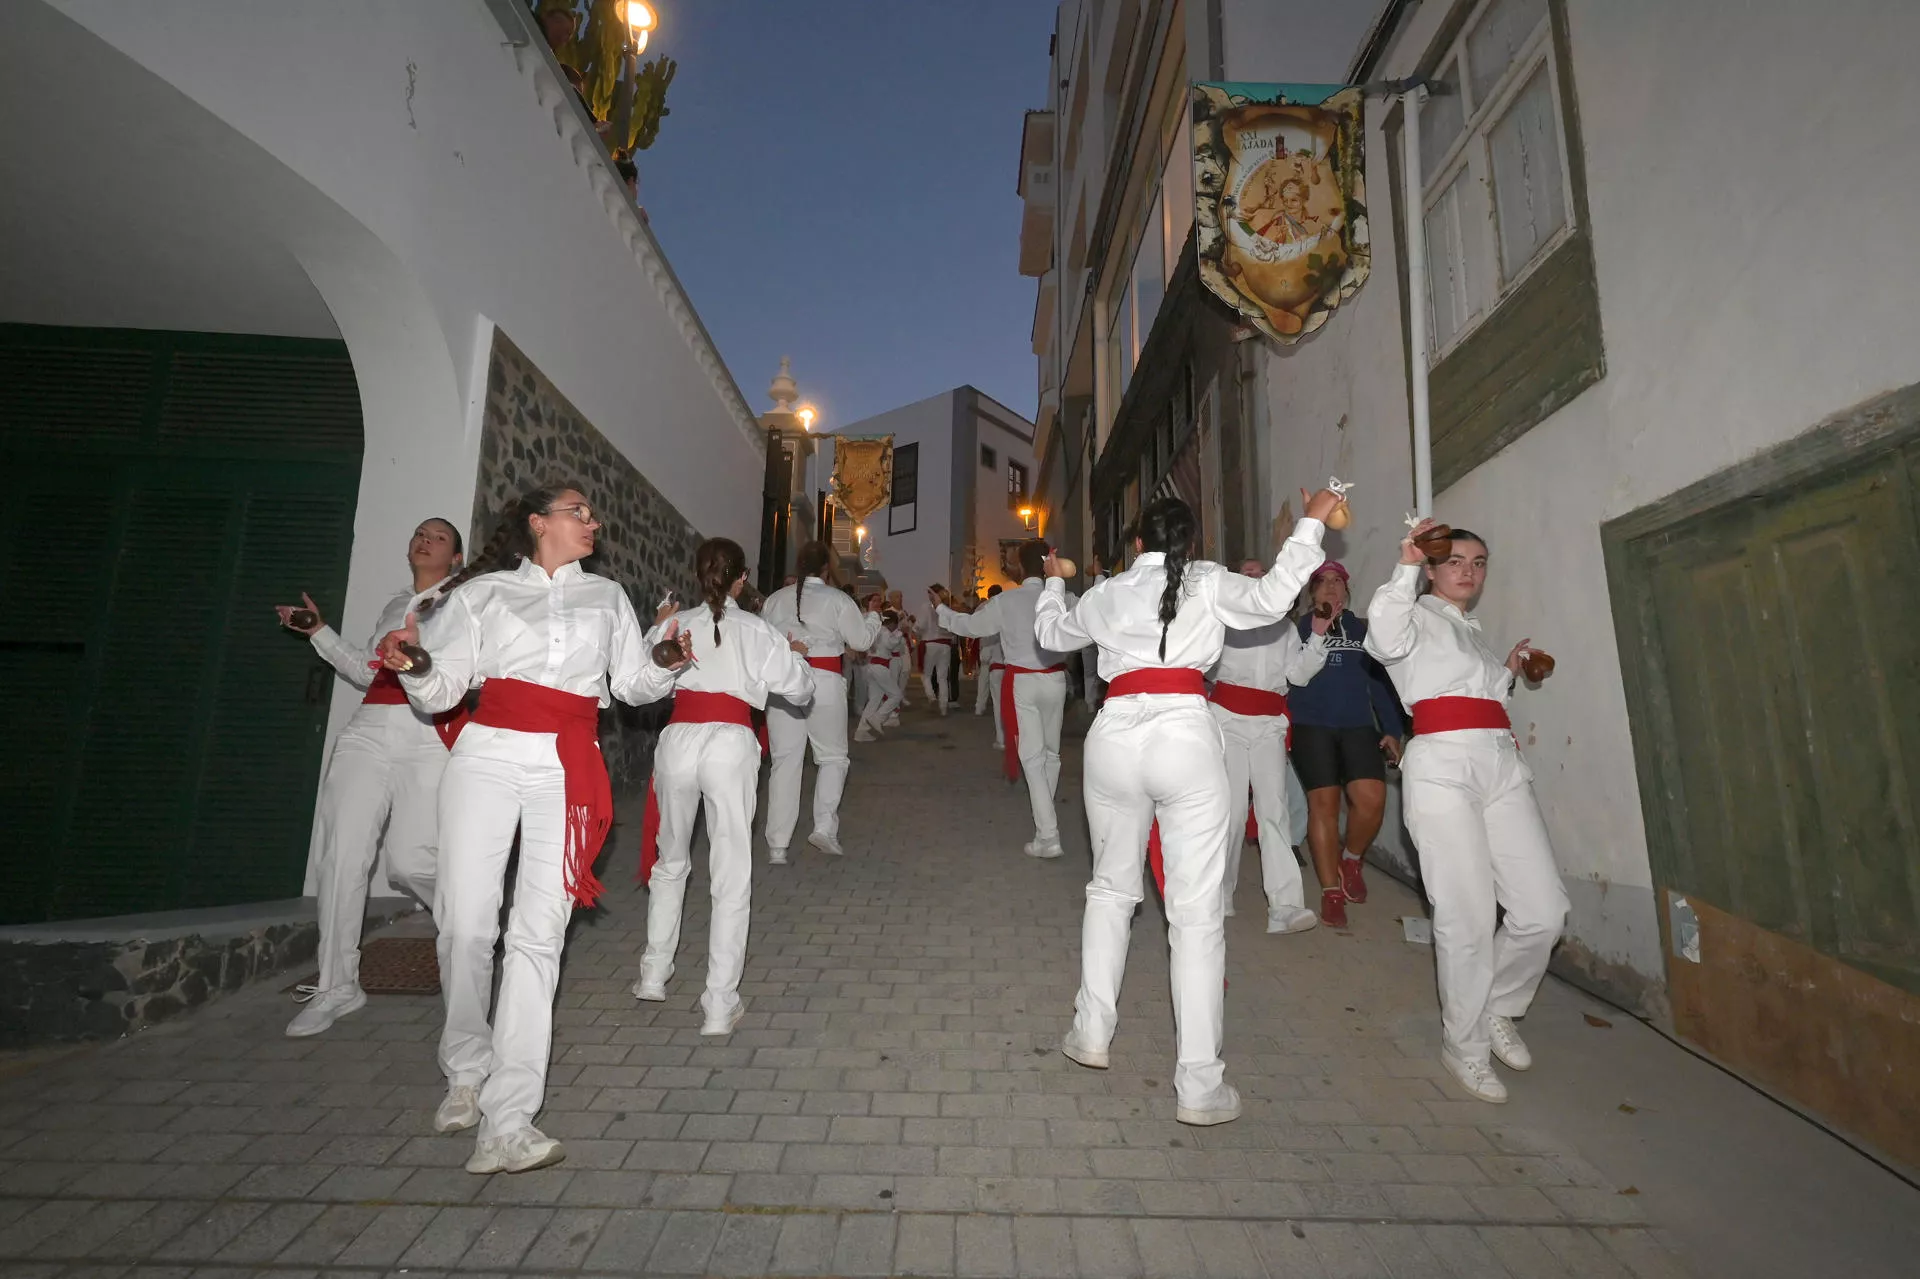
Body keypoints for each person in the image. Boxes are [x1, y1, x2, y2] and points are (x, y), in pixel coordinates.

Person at [380, 486, 687, 1174]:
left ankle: (509, 1117)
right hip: (487, 755)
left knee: (537, 936)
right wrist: (417, 664)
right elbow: (443, 687)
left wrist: (667, 662)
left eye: (591, 512)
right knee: (464, 926)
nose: (594, 520)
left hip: (567, 766)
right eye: (580, 511)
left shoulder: (606, 596)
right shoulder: (483, 594)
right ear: (539, 523)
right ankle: (465, 1067)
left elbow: (633, 684)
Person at [1035, 489, 1340, 1125]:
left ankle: (1092, 1032)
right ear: (1191, 544)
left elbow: (1049, 634)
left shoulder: (1108, 592)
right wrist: (1310, 519)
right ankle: (1199, 1085)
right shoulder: (1209, 581)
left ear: (1138, 544)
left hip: (1115, 735)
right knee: (1196, 918)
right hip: (1187, 736)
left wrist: (1050, 585)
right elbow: (1272, 598)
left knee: (1110, 890)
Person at [1363, 522, 1569, 1105]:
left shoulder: (1468, 629)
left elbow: (1477, 696)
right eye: (1454, 561)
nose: (1468, 572)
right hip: (1442, 769)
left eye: (1479, 563)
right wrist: (1404, 565)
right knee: (1468, 916)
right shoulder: (1411, 613)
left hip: (1500, 765)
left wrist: (1504, 669)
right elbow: (1381, 638)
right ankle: (1465, 1046)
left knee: (1543, 910)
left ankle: (1498, 1007)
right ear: (1430, 567)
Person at [275, 518, 467, 1037]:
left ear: (455, 559)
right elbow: (365, 670)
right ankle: (338, 986)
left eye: (439, 537)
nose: (424, 539)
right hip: (367, 732)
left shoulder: (467, 603)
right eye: (420, 533)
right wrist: (319, 630)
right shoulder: (393, 603)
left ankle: (472, 921)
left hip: (426, 736)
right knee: (341, 854)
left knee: (409, 862)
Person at [635, 539, 816, 1033]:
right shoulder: (756, 629)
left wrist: (658, 628)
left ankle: (654, 971)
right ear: (742, 578)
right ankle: (718, 1001)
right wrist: (796, 658)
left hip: (678, 740)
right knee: (730, 870)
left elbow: (639, 681)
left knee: (671, 859)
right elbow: (799, 690)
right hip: (730, 743)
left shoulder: (675, 624)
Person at [933, 543, 1077, 858]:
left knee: (1032, 756)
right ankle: (1045, 821)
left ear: (1021, 568)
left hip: (1024, 681)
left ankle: (1048, 833)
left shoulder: (1006, 600)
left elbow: (970, 627)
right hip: (1055, 679)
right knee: (1051, 754)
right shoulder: (1064, 597)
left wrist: (943, 609)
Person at [1209, 559, 1329, 934]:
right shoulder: (1222, 623)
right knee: (1228, 814)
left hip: (1269, 726)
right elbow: (1204, 667)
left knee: (1273, 811)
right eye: (1247, 573)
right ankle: (1219, 895)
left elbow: (1298, 675)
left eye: (1262, 574)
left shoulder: (1287, 629)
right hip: (1227, 720)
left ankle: (1285, 907)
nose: (1256, 578)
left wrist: (1320, 635)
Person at [1287, 562, 1408, 929]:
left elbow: (1380, 684)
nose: (1330, 588)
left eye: (1337, 581)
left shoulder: (1362, 631)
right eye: (1322, 582)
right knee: (1323, 805)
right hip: (1311, 727)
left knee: (1372, 799)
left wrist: (1391, 729)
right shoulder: (1296, 630)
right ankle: (1330, 891)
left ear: (1346, 591)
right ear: (1312, 592)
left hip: (1357, 726)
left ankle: (1351, 859)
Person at [759, 542, 884, 863]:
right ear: (826, 568)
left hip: (783, 683)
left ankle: (777, 845)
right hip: (824, 684)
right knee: (832, 758)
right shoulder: (838, 599)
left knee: (785, 763)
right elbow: (860, 641)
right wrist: (874, 619)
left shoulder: (774, 600)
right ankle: (824, 828)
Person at [855, 612, 906, 741]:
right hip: (880, 667)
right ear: (891, 623)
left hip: (871, 666)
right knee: (896, 695)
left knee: (874, 700)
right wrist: (899, 633)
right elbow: (891, 645)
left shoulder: (874, 630)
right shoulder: (885, 631)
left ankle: (861, 731)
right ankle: (878, 718)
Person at [973, 585, 1005, 740]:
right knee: (1000, 678)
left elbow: (974, 624)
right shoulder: (1004, 605)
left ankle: (979, 707)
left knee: (983, 677)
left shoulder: (982, 606)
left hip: (985, 646)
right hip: (1000, 647)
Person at [918, 593, 955, 715]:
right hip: (946, 644)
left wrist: (915, 631)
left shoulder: (926, 606)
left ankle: (931, 696)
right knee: (942, 678)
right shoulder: (947, 608)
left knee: (926, 674)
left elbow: (920, 625)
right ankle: (943, 707)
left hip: (930, 643)